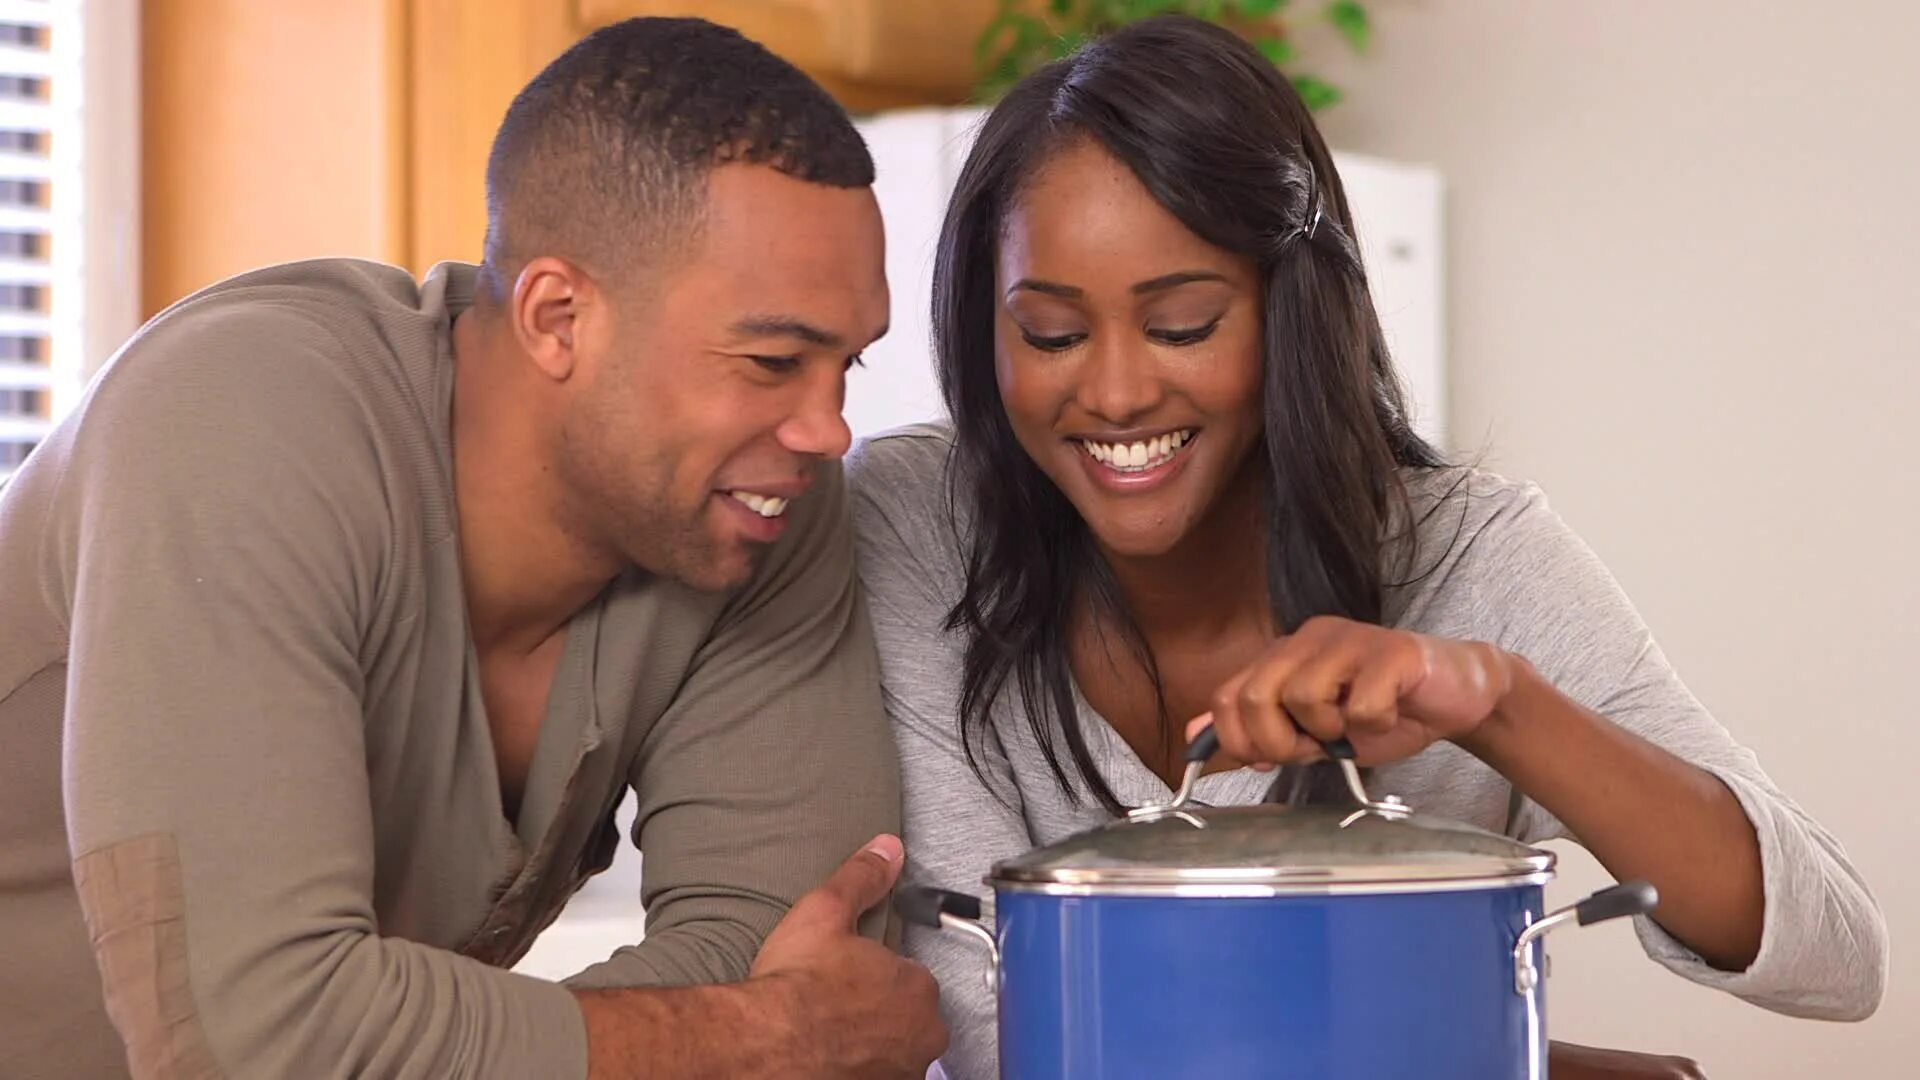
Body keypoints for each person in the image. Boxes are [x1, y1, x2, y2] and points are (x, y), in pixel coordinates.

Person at [845, 15, 1886, 1079]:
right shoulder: (915, 522)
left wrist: (1502, 706)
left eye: (1184, 325)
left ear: (1290, 313)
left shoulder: (1473, 555)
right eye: (1052, 334)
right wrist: (1506, 1050)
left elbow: (1834, 959)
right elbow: (995, 1032)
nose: (1114, 393)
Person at [0, 17, 944, 1079]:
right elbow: (252, 1039)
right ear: (557, 317)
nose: (829, 429)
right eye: (772, 359)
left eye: (848, 366)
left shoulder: (758, 495)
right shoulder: (238, 418)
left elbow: (813, 955)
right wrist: (758, 1037)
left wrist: (391, 1038)